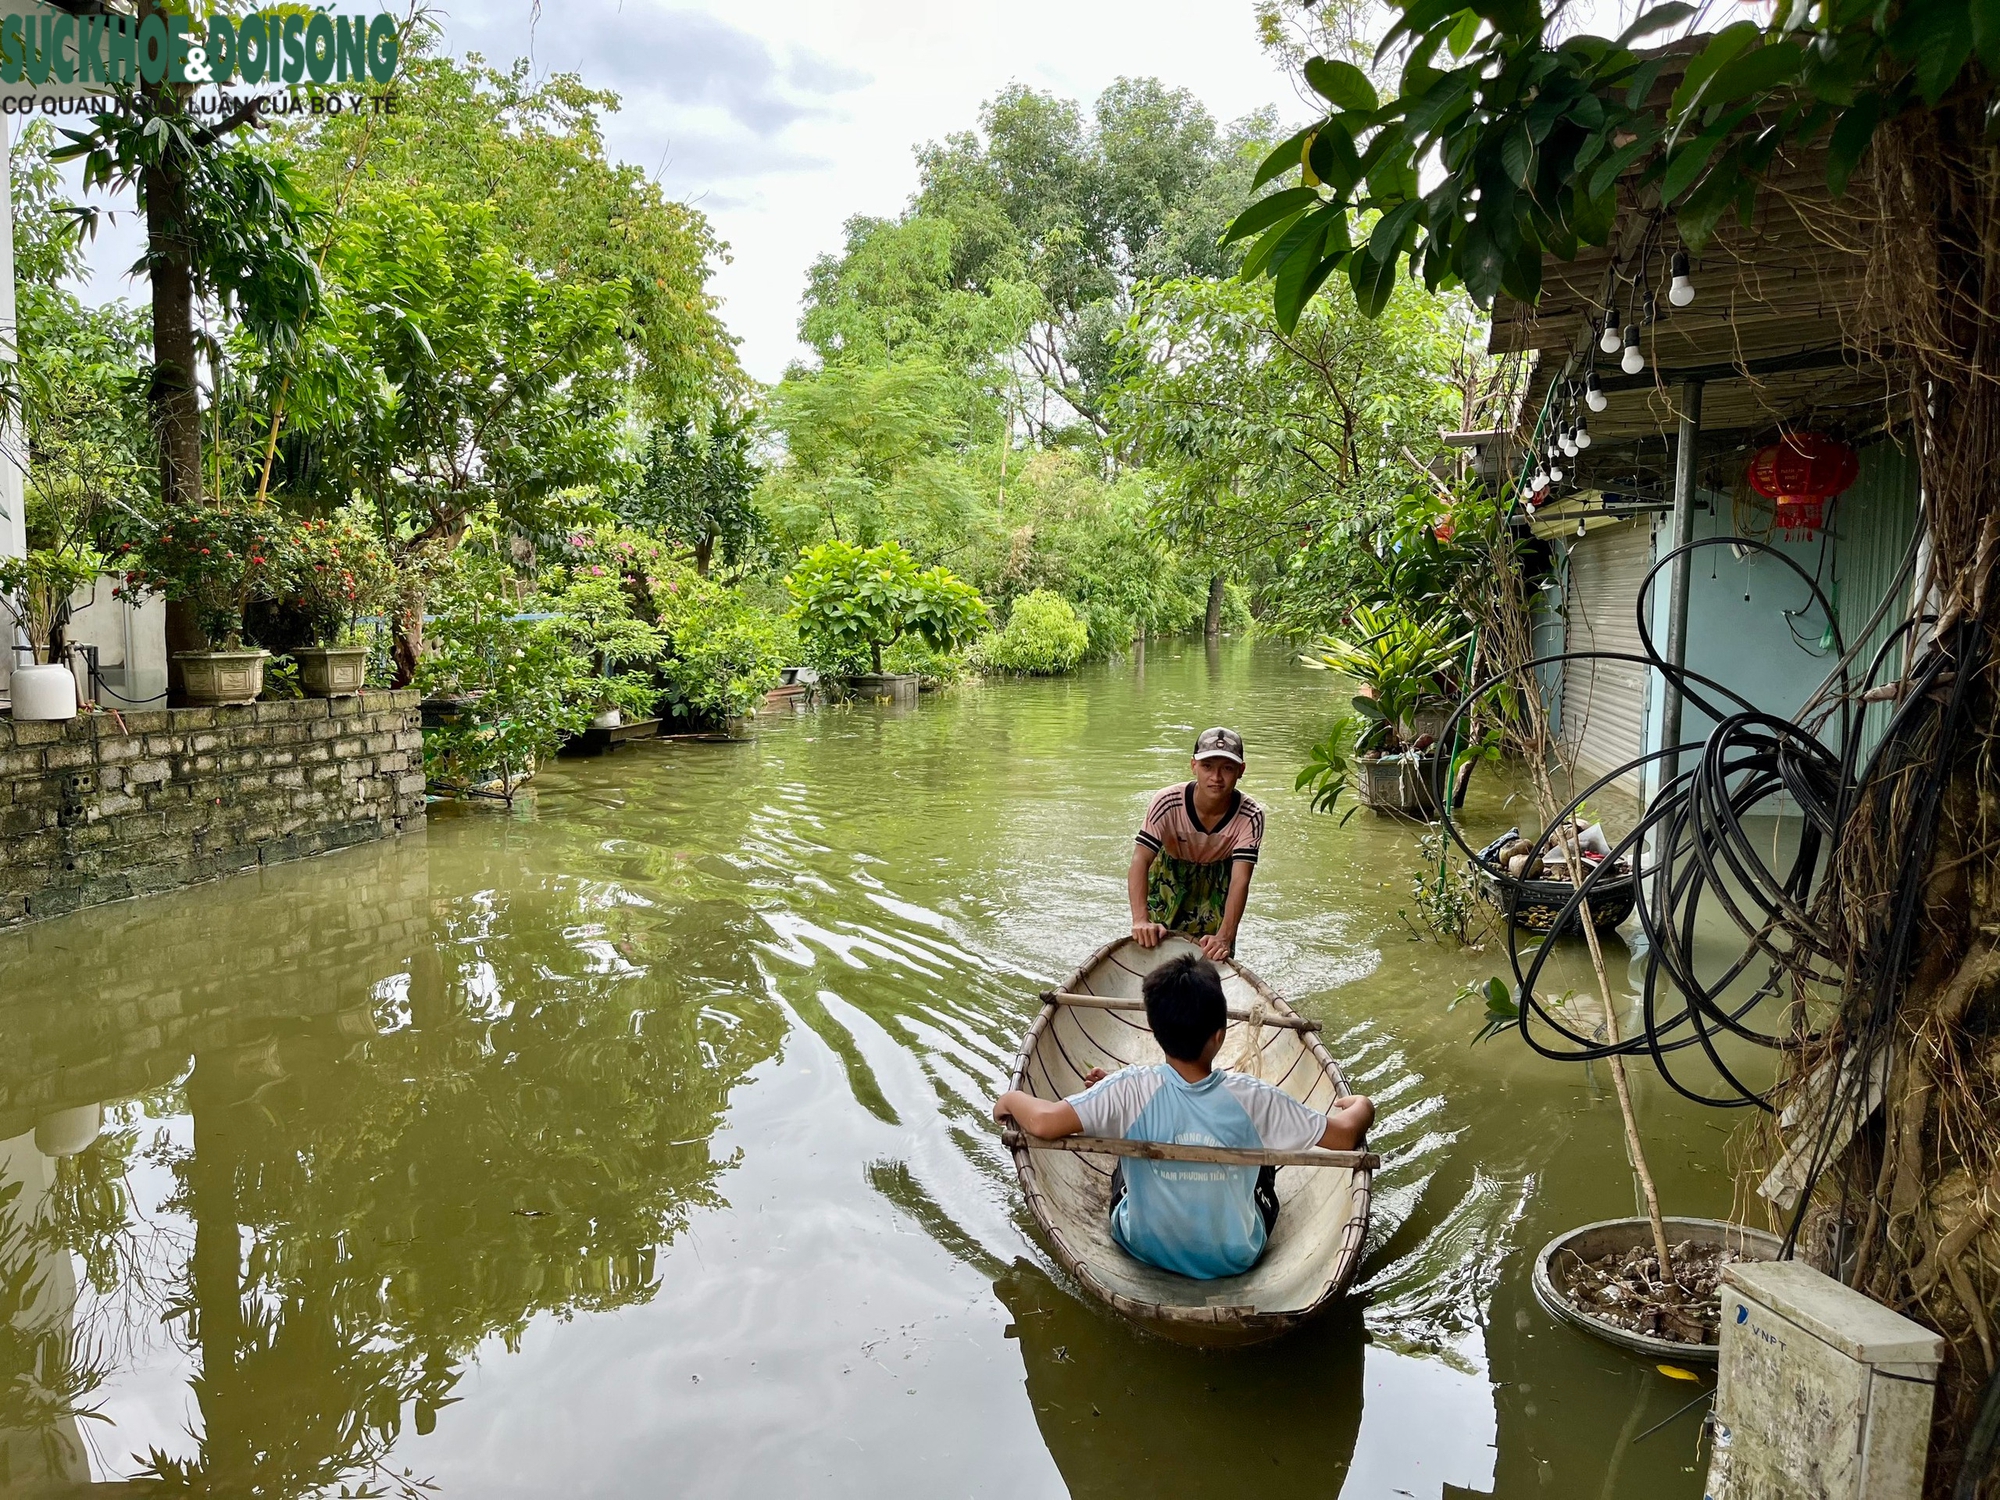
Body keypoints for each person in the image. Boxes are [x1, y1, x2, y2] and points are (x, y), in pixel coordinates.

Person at [993, 953, 1374, 1281]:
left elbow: (1043, 1122)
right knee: (1264, 1163)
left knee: (1124, 1150)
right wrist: (1363, 1107)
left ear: (1154, 1031)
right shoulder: (1253, 1097)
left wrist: (1012, 1097)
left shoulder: (1129, 1088)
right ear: (1220, 1036)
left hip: (1142, 1245)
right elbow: (1343, 1136)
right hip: (1235, 1256)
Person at [1130, 726, 1262, 961]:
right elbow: (1141, 859)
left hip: (1218, 879)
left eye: (1227, 768)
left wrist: (1225, 936)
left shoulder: (1250, 815)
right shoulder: (1167, 802)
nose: (1216, 778)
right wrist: (1140, 920)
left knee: (1212, 957)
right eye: (1207, 766)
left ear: (1241, 770)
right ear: (1194, 766)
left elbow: (1240, 879)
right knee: (1152, 945)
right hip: (1168, 874)